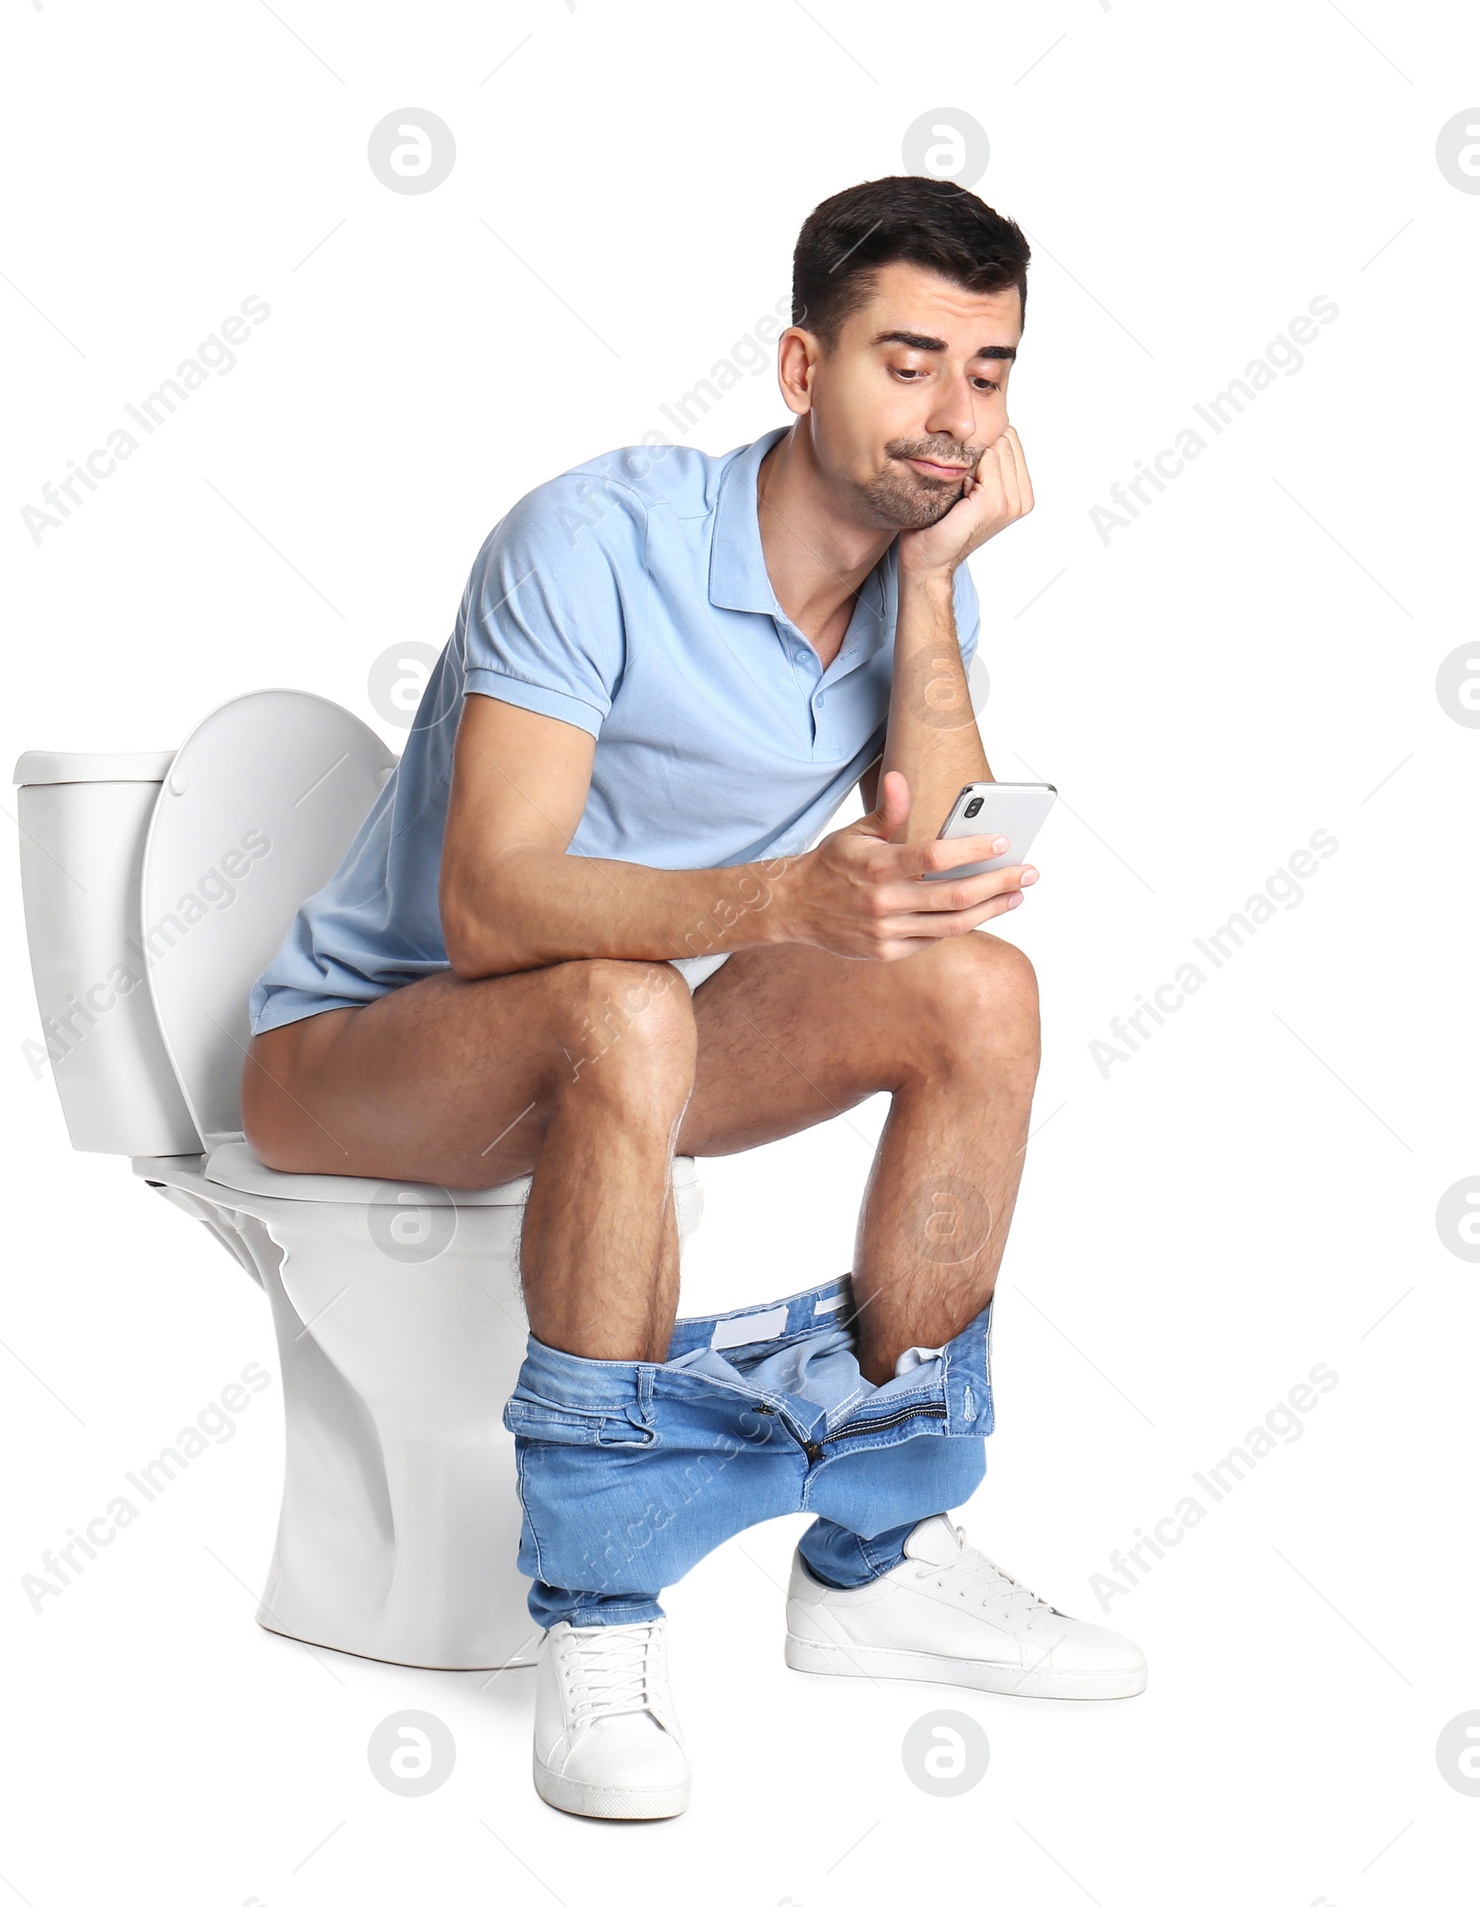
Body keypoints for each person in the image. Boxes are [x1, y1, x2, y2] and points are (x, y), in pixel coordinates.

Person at [241, 174, 1146, 1822]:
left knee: (979, 993)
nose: (955, 414)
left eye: (992, 373)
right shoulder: (598, 535)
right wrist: (776, 898)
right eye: (910, 360)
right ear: (802, 369)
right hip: (358, 1046)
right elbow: (489, 895)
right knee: (624, 1009)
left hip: (623, 1033)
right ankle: (595, 1606)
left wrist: (933, 587)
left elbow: (929, 862)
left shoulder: (906, 591)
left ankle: (876, 1553)